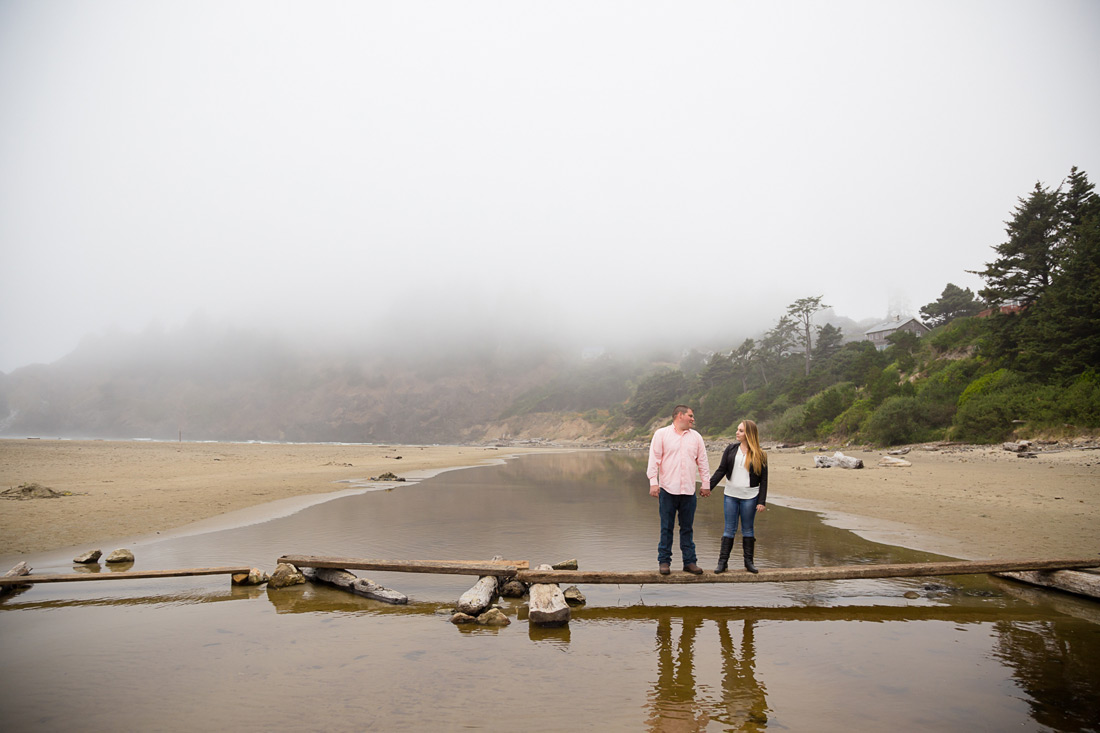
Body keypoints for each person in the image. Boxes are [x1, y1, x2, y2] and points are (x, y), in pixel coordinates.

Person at [647, 405, 711, 575]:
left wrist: (706, 484)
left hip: (689, 491)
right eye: (690, 415)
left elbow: (703, 462)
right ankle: (664, 562)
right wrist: (653, 482)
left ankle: (689, 562)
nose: (693, 419)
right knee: (666, 527)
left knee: (687, 528)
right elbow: (654, 460)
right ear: (680, 415)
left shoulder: (696, 437)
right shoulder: (661, 434)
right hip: (668, 489)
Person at [708, 420, 768, 573]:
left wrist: (761, 501)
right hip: (731, 496)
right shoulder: (731, 449)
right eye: (737, 430)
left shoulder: (760, 454)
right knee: (729, 529)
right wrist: (708, 487)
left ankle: (749, 563)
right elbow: (721, 470)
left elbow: (764, 480)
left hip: (750, 496)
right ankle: (722, 563)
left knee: (748, 529)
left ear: (749, 433)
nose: (737, 433)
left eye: (740, 430)